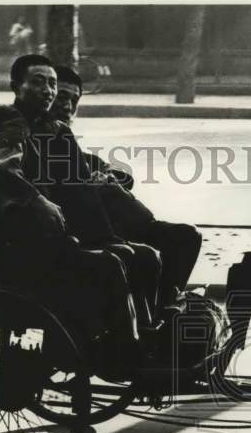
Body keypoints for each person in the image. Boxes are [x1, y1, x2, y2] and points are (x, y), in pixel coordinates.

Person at [0, 54, 145, 377]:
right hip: (23, 244)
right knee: (110, 265)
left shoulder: (52, 129)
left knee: (137, 256)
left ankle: (132, 341)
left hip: (53, 236)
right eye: (37, 82)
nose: (48, 90)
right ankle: (121, 353)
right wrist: (37, 199)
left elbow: (75, 182)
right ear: (16, 87)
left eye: (52, 83)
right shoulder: (14, 122)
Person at [51, 65, 203, 307]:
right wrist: (96, 183)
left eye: (74, 99)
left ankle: (164, 305)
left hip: (123, 223)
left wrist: (106, 174)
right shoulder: (42, 137)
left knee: (187, 236)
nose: (67, 106)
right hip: (93, 231)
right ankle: (155, 315)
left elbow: (90, 163)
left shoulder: (61, 135)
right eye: (61, 97)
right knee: (157, 251)